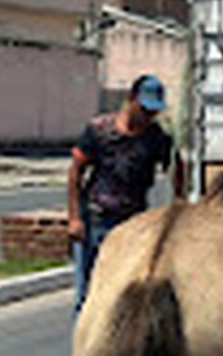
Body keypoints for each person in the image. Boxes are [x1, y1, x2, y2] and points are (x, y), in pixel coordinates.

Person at [67, 73, 185, 310]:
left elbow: (176, 166)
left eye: (153, 112)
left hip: (133, 223)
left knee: (126, 293)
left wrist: (178, 204)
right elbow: (75, 172)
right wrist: (75, 218)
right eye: (144, 110)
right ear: (131, 100)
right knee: (88, 295)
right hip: (97, 219)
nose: (148, 117)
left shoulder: (156, 138)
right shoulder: (99, 131)